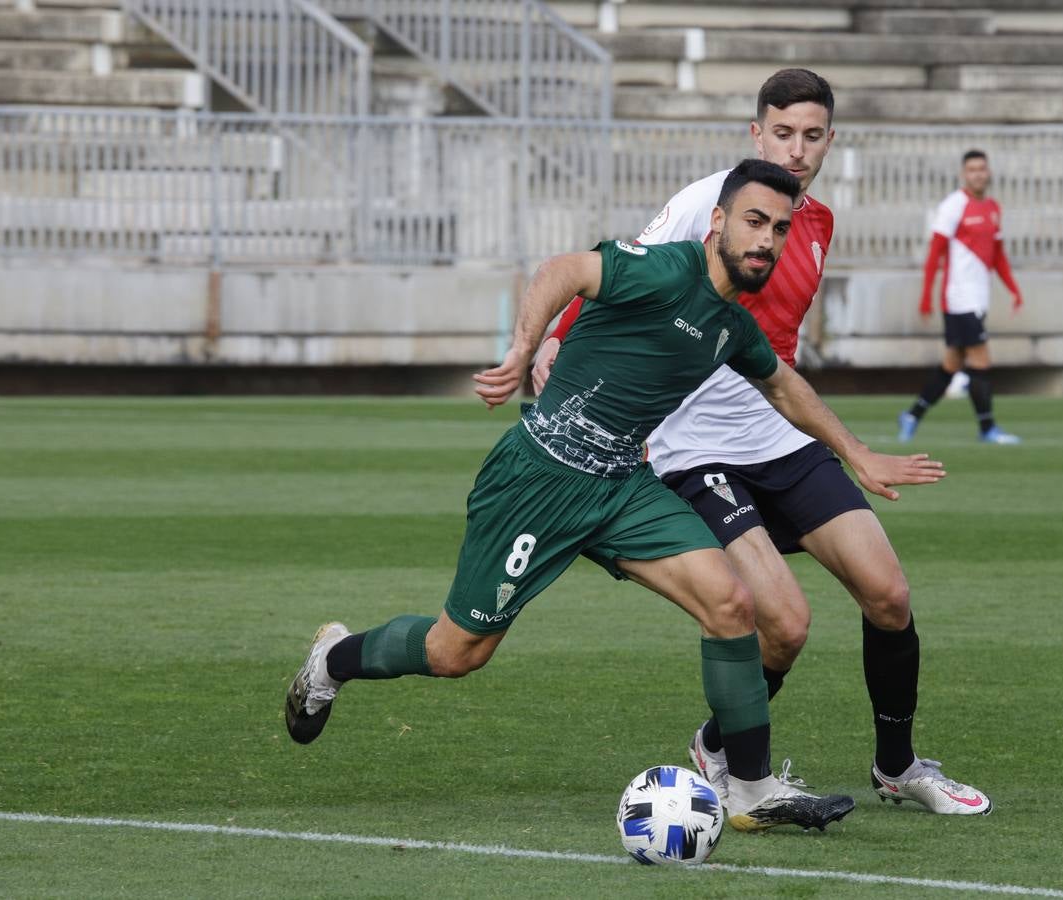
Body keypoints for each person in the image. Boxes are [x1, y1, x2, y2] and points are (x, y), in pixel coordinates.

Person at [285, 160, 947, 833]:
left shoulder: (732, 326)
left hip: (622, 487)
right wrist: (523, 349)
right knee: (457, 653)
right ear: (717, 222)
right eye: (754, 222)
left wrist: (857, 454)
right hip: (538, 481)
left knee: (731, 602)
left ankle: (749, 787)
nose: (767, 241)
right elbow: (565, 271)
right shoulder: (665, 270)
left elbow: (782, 385)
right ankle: (332, 659)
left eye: (779, 229)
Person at [533, 69, 992, 817]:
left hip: (776, 437)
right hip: (695, 449)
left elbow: (777, 351)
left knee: (889, 594)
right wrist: (557, 340)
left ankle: (898, 765)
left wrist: (847, 449)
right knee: (784, 625)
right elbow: (619, 264)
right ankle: (727, 756)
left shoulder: (816, 222)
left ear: (830, 141)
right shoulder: (710, 202)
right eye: (783, 133)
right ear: (757, 133)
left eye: (812, 135)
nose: (797, 149)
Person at [898, 149, 1023, 445]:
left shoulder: (993, 208)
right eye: (972, 169)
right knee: (980, 359)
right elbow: (935, 253)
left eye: (982, 168)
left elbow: (998, 257)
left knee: (952, 364)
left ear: (988, 172)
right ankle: (987, 428)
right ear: (963, 174)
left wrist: (1013, 288)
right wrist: (926, 295)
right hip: (959, 298)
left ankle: (912, 415)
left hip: (978, 298)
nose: (978, 174)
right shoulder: (953, 206)